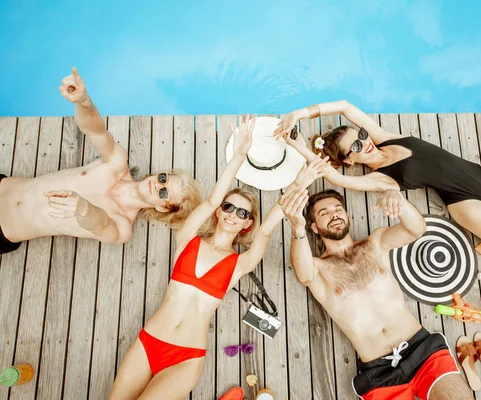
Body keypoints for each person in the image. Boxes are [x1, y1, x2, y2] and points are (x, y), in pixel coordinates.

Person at [274, 100, 481, 342]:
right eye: (356, 146)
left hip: (479, 176)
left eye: (360, 135)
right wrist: (298, 145)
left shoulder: (384, 137)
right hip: (465, 203)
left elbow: (345, 106)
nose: (364, 141)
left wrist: (301, 114)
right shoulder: (381, 179)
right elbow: (332, 175)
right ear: (350, 159)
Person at [109, 116, 329, 399]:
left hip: (186, 357)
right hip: (148, 341)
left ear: (247, 224)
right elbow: (212, 199)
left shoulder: (239, 264)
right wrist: (238, 156)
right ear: (218, 211)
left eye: (242, 213)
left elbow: (266, 231)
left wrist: (298, 183)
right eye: (229, 206)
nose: (232, 214)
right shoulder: (187, 239)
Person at [280, 187, 473, 400]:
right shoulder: (319, 269)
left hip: (422, 350)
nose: (334, 214)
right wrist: (297, 226)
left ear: (346, 215)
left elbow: (416, 229)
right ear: (314, 228)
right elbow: (303, 274)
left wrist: (399, 201)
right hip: (379, 370)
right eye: (324, 213)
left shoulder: (376, 243)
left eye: (338, 209)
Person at [0, 68, 202, 253]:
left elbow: (102, 225)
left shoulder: (123, 226)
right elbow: (95, 131)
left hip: (4, 230)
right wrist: (84, 101)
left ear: (162, 207)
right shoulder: (116, 162)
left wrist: (83, 208)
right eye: (164, 178)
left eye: (163, 192)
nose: (158, 184)